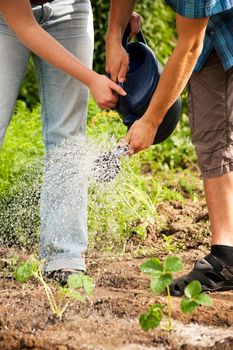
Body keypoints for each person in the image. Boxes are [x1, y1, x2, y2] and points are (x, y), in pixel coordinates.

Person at [106, 0, 233, 295]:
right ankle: (226, 258)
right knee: (212, 132)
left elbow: (190, 46)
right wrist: (114, 34)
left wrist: (150, 121)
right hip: (212, 31)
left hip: (213, 29)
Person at [0, 0, 126, 285]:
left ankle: (64, 255)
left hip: (71, 11)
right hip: (6, 18)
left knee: (67, 136)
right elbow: (24, 25)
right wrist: (92, 79)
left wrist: (116, 30)